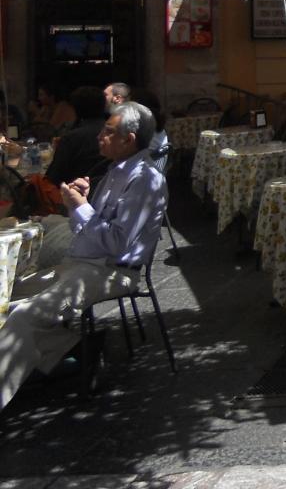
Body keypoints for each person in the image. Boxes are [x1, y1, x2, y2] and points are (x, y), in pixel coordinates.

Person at [0, 101, 168, 411]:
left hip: (113, 269)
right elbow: (88, 231)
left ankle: (64, 355)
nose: (100, 137)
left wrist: (82, 208)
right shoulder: (114, 171)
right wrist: (79, 204)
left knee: (25, 316)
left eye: (108, 132)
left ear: (129, 140)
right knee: (6, 300)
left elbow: (116, 244)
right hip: (84, 262)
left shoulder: (144, 179)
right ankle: (80, 347)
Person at [44, 87, 109, 189]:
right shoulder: (115, 134)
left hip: (76, 192)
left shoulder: (71, 138)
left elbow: (53, 177)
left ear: (76, 109)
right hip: (110, 189)